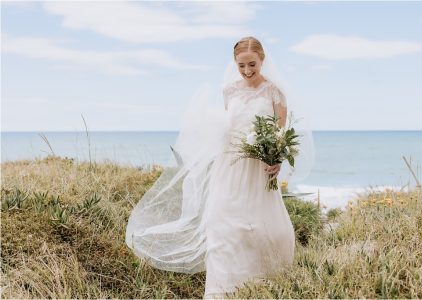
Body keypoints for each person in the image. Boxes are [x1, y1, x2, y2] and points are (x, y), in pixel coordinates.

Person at [126, 36, 314, 298]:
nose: (247, 71)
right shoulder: (229, 90)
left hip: (258, 169)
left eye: (252, 65)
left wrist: (276, 160)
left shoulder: (274, 91)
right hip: (229, 166)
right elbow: (228, 127)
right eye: (241, 65)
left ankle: (264, 286)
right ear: (234, 64)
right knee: (222, 225)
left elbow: (280, 134)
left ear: (263, 61)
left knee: (262, 226)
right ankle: (222, 292)